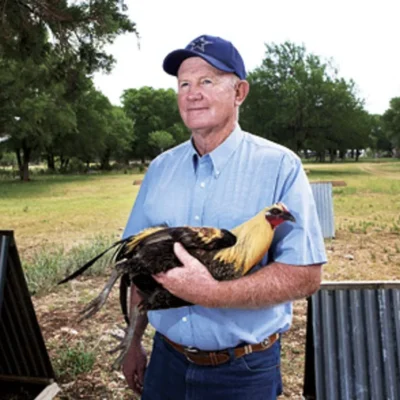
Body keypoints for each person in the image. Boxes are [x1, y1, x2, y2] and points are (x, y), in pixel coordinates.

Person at [121, 34, 327, 400]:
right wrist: (133, 341)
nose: (192, 93)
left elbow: (305, 275)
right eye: (184, 83)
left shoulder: (280, 166)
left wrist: (213, 293)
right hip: (167, 361)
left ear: (240, 92)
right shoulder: (160, 169)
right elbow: (138, 270)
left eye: (207, 81)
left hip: (243, 370)